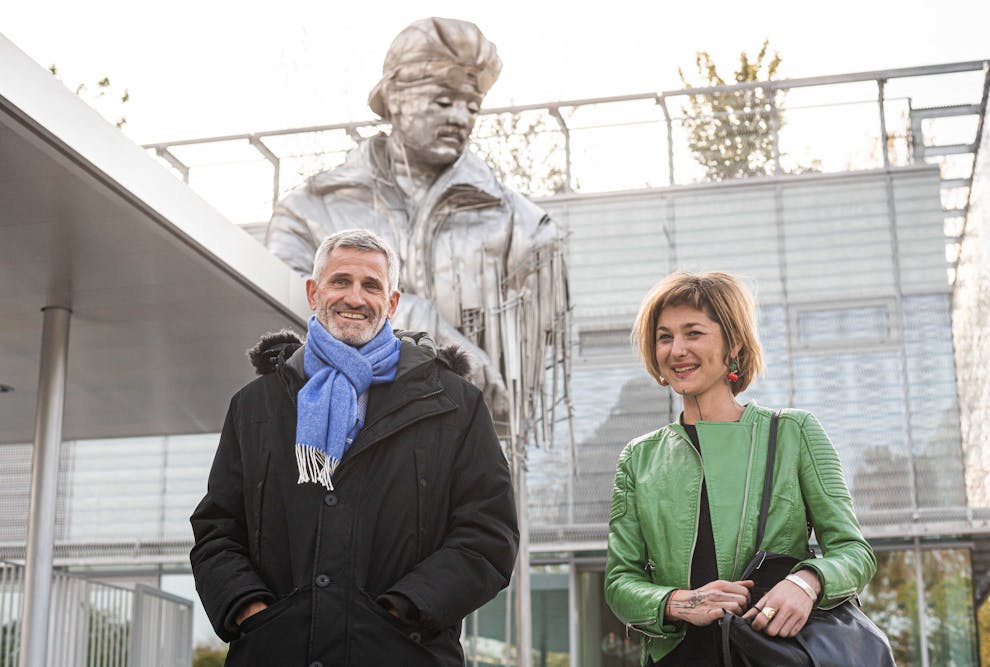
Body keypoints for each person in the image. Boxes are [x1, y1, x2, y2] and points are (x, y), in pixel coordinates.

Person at [190, 229, 519, 666]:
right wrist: (253, 611)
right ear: (314, 292)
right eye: (340, 281)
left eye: (371, 285)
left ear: (393, 302)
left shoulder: (453, 404)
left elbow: (488, 535)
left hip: (404, 653)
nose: (355, 297)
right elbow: (217, 530)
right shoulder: (256, 406)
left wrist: (401, 611)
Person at [264, 17, 569, 431]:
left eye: (472, 106)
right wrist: (422, 325)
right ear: (393, 97)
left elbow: (518, 405)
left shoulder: (527, 229)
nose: (461, 117)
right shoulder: (308, 212)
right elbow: (280, 322)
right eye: (443, 102)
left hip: (458, 461)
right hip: (338, 457)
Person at [604, 271, 876, 666]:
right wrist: (680, 602)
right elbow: (619, 582)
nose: (676, 349)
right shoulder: (639, 457)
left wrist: (806, 582)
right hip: (679, 657)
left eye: (693, 333)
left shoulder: (794, 433)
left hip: (771, 648)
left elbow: (854, 551)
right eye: (665, 337)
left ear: (733, 342)